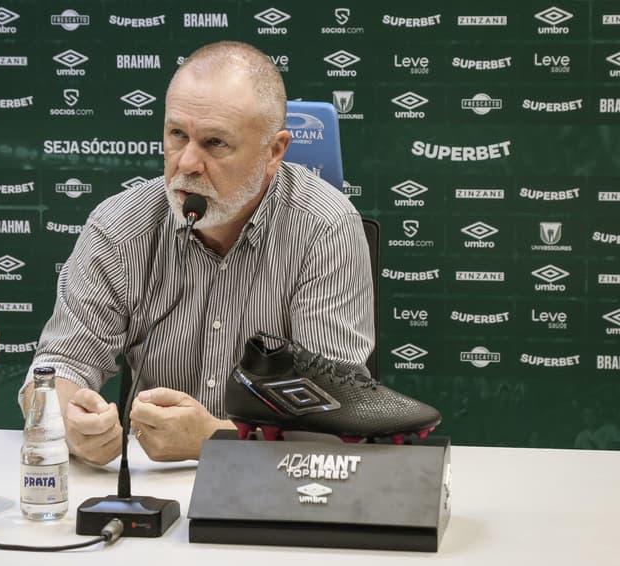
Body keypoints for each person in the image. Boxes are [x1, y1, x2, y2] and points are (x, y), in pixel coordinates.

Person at [19, 41, 374, 463]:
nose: (186, 163)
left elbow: (333, 418)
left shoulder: (324, 229)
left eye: (215, 143)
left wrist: (216, 440)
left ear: (274, 151)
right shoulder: (118, 228)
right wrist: (70, 423)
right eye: (177, 135)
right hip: (150, 485)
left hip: (274, 490)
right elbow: (59, 365)